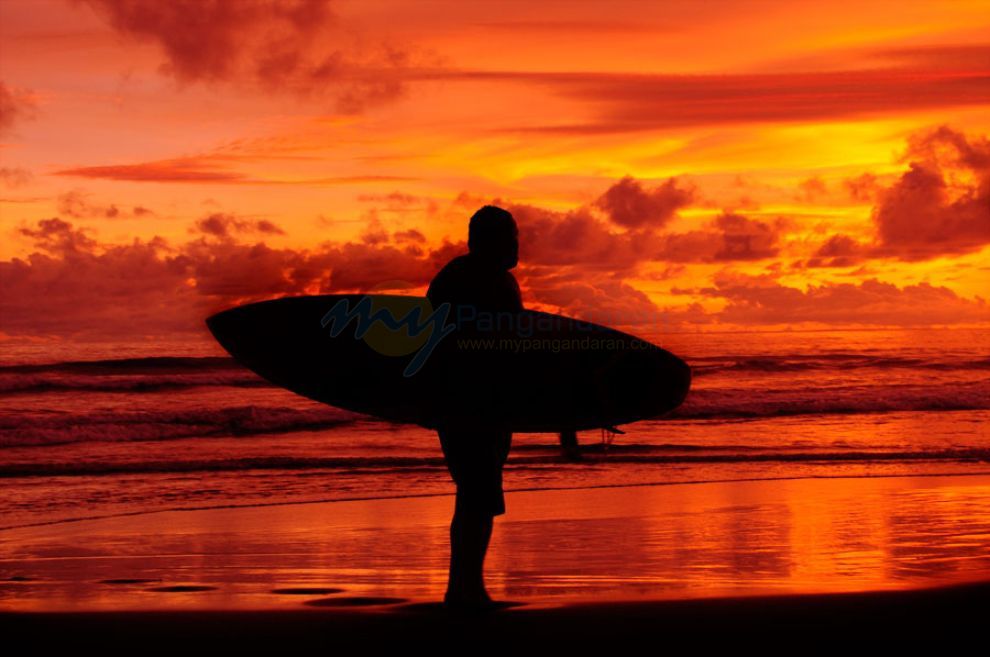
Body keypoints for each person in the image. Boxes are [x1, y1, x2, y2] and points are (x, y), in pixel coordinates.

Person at [426, 205, 521, 611]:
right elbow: (511, 350)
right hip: (476, 403)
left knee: (474, 494)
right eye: (511, 236)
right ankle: (464, 590)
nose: (518, 244)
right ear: (489, 241)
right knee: (477, 494)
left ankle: (464, 587)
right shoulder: (488, 282)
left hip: (463, 402)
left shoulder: (453, 277)